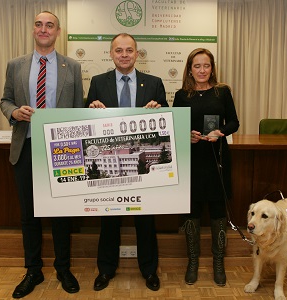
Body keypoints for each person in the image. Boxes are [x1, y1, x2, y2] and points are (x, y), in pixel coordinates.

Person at [0, 11, 83, 298]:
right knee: (28, 215)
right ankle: (33, 270)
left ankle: (63, 268)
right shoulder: (16, 65)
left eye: (49, 25)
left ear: (58, 31)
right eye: (38, 24)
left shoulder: (71, 66)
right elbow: (5, 98)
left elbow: (78, 109)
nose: (43, 29)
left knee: (61, 213)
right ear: (33, 30)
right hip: (26, 147)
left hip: (62, 150)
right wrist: (13, 111)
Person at [86, 33, 168, 292]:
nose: (124, 54)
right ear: (111, 54)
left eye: (129, 50)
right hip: (111, 165)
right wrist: (91, 107)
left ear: (137, 53)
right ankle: (106, 270)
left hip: (143, 166)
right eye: (119, 50)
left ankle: (149, 271)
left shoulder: (154, 83)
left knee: (146, 220)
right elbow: (85, 121)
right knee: (108, 220)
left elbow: (167, 121)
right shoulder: (98, 82)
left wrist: (160, 109)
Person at [173, 48, 240, 286]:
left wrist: (220, 132)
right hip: (191, 159)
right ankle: (193, 262)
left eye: (206, 66)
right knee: (191, 211)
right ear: (190, 69)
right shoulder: (182, 95)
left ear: (212, 67)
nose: (202, 70)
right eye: (197, 66)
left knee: (217, 210)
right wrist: (185, 134)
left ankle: (218, 263)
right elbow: (174, 125)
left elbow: (234, 122)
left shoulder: (223, 92)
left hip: (217, 158)